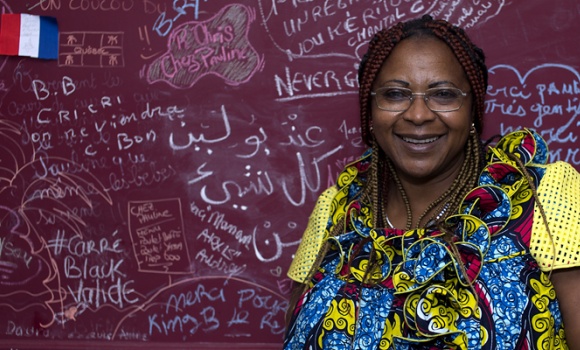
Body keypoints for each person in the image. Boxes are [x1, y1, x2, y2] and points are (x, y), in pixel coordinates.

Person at [283, 15, 580, 349]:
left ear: (473, 109)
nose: (419, 114)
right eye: (395, 94)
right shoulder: (338, 212)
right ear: (370, 109)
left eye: (443, 94)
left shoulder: (542, 195)